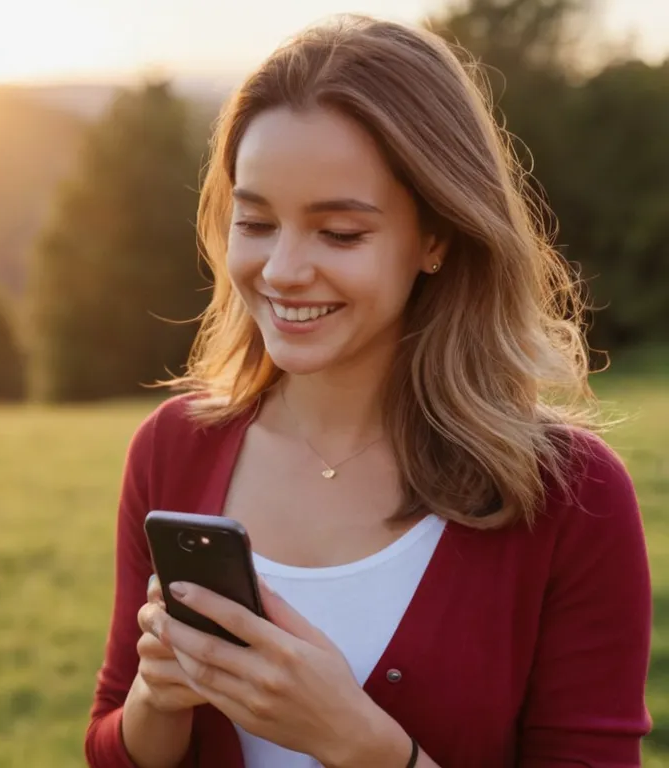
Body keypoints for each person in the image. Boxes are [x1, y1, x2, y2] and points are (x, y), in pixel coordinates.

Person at [84, 13, 652, 768]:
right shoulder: (174, 447)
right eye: (254, 222)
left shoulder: (571, 499)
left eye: (339, 233)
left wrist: (363, 745)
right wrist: (158, 701)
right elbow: (110, 744)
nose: (282, 269)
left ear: (437, 237)